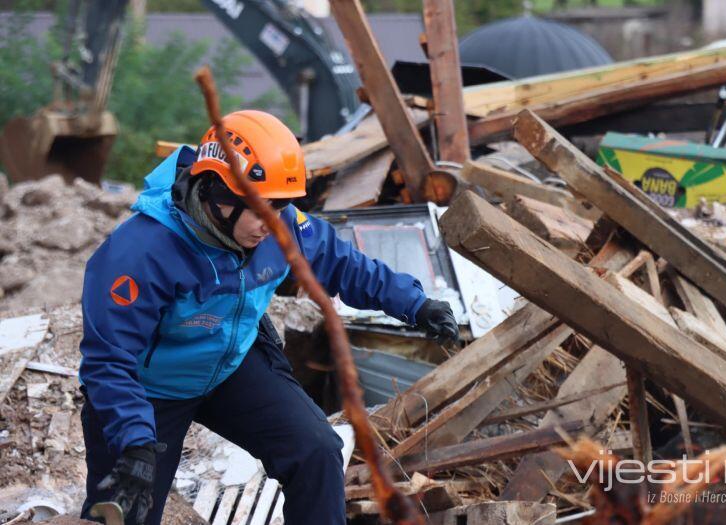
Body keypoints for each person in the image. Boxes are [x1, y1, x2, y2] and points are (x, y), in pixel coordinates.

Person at [78, 110, 459, 525]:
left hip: (229, 368)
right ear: (218, 192)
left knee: (316, 449)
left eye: (279, 207)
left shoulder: (279, 226)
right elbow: (109, 359)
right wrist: (134, 440)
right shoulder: (141, 251)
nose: (270, 224)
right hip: (148, 389)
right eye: (260, 209)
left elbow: (341, 263)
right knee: (127, 508)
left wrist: (415, 304)